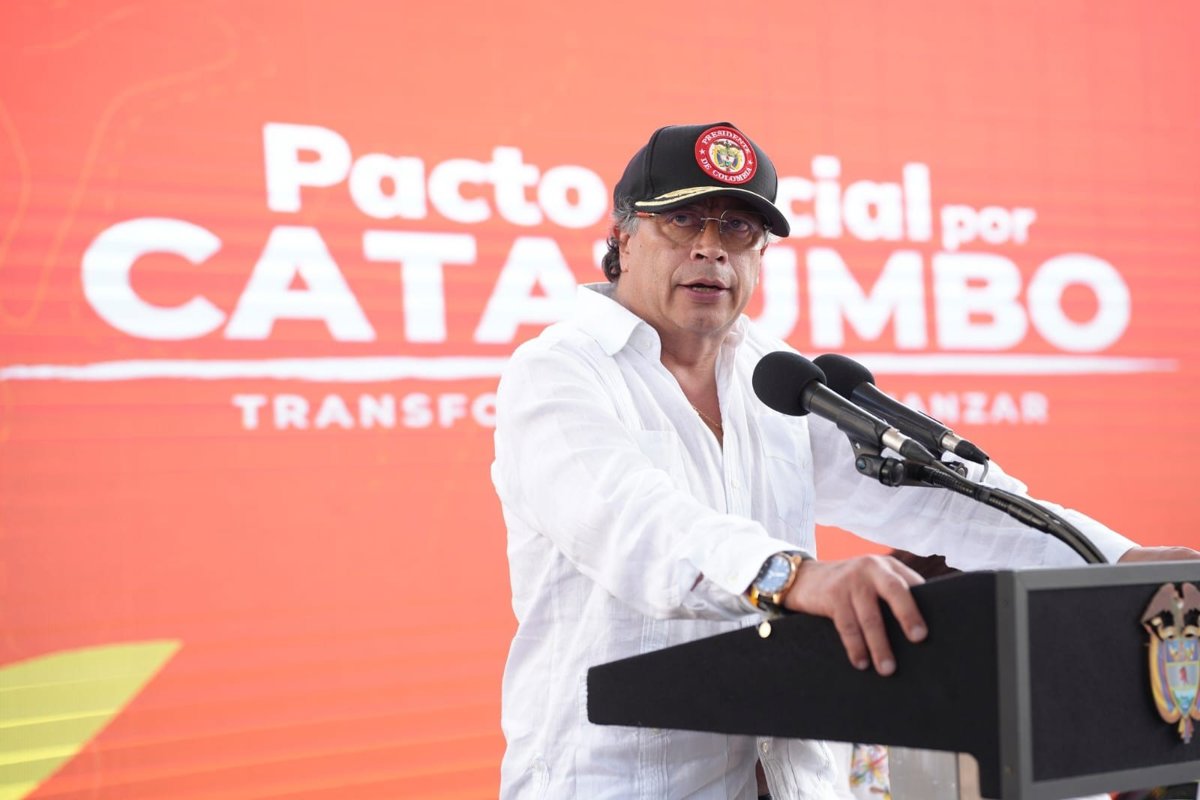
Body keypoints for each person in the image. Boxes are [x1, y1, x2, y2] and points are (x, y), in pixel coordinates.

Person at [491, 121, 1196, 799]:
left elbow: (942, 501)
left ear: (761, 254)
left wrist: (1116, 561)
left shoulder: (777, 377)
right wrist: (797, 578)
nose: (711, 250)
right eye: (683, 221)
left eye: (738, 228)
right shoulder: (556, 373)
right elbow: (638, 524)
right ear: (622, 237)